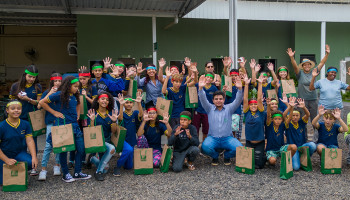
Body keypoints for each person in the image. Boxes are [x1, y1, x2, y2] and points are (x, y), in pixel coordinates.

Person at [39, 76, 91, 183]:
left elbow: (78, 104)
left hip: (74, 126)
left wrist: (77, 114)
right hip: (62, 126)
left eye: (78, 87)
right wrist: (54, 113)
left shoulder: (75, 95)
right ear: (68, 85)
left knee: (81, 149)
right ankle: (66, 173)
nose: (77, 88)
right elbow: (42, 102)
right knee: (64, 150)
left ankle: (77, 172)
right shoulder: (58, 95)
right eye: (75, 86)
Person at [198, 74, 243, 166]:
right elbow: (203, 99)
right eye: (216, 99)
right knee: (205, 147)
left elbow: (238, 101)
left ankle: (227, 156)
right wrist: (201, 89)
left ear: (224, 99)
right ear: (213, 100)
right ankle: (215, 157)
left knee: (239, 148)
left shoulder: (229, 108)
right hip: (213, 138)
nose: (218, 101)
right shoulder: (209, 108)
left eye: (220, 99)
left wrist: (239, 89)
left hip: (227, 138)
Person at [9, 65, 42, 172]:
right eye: (30, 76)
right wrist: (17, 99)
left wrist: (27, 99)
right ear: (25, 75)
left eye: (34, 77)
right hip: (18, 118)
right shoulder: (15, 86)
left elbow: (39, 103)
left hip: (32, 118)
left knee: (33, 141)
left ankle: (34, 166)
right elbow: (10, 103)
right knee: (20, 141)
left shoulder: (38, 87)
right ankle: (21, 165)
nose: (31, 79)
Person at [287, 45, 330, 122]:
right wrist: (291, 57)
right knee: (302, 120)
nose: (307, 66)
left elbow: (321, 63)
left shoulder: (314, 71)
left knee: (314, 119)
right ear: (302, 66)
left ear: (310, 66)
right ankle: (303, 134)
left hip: (313, 99)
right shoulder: (299, 73)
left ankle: (316, 134)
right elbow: (295, 66)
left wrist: (327, 54)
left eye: (308, 64)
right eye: (305, 65)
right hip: (302, 100)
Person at [0, 100, 38, 185]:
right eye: (13, 109)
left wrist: (34, 157)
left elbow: (30, 140)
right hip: (4, 154)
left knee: (30, 162)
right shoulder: (1, 126)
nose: (16, 110)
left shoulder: (25, 124)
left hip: (19, 153)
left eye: (19, 108)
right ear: (7, 110)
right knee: (3, 182)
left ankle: (19, 170)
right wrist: (6, 160)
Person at [69, 66, 98, 169]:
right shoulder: (76, 87)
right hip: (77, 116)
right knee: (75, 137)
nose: (82, 81)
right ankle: (71, 160)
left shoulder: (93, 87)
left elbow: (95, 103)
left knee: (87, 138)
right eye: (80, 79)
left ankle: (85, 159)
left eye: (84, 79)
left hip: (88, 116)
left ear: (89, 78)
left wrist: (86, 97)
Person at [38, 72, 62, 181]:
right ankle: (43, 169)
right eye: (55, 81)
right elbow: (39, 105)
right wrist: (50, 94)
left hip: (60, 122)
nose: (57, 83)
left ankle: (57, 165)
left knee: (59, 145)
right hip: (50, 122)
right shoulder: (47, 92)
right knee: (48, 146)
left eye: (59, 81)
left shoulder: (63, 93)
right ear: (51, 81)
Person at [283, 97, 316, 170]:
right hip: (294, 149)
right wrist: (290, 107)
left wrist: (304, 107)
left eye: (297, 115)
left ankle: (305, 158)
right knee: (296, 167)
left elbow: (308, 114)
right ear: (290, 116)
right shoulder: (288, 124)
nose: (295, 117)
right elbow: (284, 115)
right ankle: (298, 159)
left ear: (299, 116)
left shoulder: (302, 122)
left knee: (313, 145)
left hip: (302, 147)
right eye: (293, 115)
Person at [242, 74, 266, 169]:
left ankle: (264, 156)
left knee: (259, 165)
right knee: (248, 164)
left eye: (255, 105)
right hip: (249, 142)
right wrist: (246, 85)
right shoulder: (247, 112)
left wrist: (260, 84)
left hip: (259, 142)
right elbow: (244, 99)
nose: (253, 106)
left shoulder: (261, 112)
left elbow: (259, 98)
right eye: (251, 104)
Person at [265, 101, 297, 166]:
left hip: (281, 148)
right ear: (272, 119)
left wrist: (292, 107)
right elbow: (268, 115)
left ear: (282, 120)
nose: (277, 120)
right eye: (275, 119)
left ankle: (286, 161)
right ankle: (270, 159)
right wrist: (268, 105)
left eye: (279, 119)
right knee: (272, 161)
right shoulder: (269, 125)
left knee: (294, 147)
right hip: (271, 150)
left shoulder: (282, 126)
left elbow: (289, 118)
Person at [193, 72, 218, 141]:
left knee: (206, 130)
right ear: (205, 77)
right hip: (197, 110)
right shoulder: (198, 85)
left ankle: (204, 145)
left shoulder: (214, 88)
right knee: (196, 129)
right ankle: (196, 144)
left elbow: (216, 99)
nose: (209, 79)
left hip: (207, 112)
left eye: (211, 78)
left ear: (213, 80)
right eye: (207, 77)